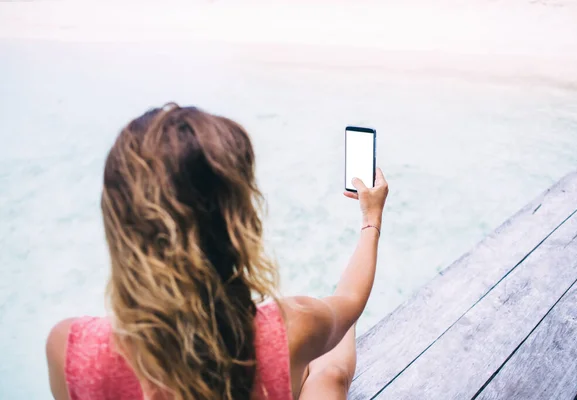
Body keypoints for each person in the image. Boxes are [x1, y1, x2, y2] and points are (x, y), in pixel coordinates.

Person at [45, 104, 388, 400]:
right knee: (331, 371)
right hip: (298, 334)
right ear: (240, 228)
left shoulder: (71, 350)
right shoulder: (291, 326)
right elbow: (350, 300)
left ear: (118, 227)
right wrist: (371, 218)